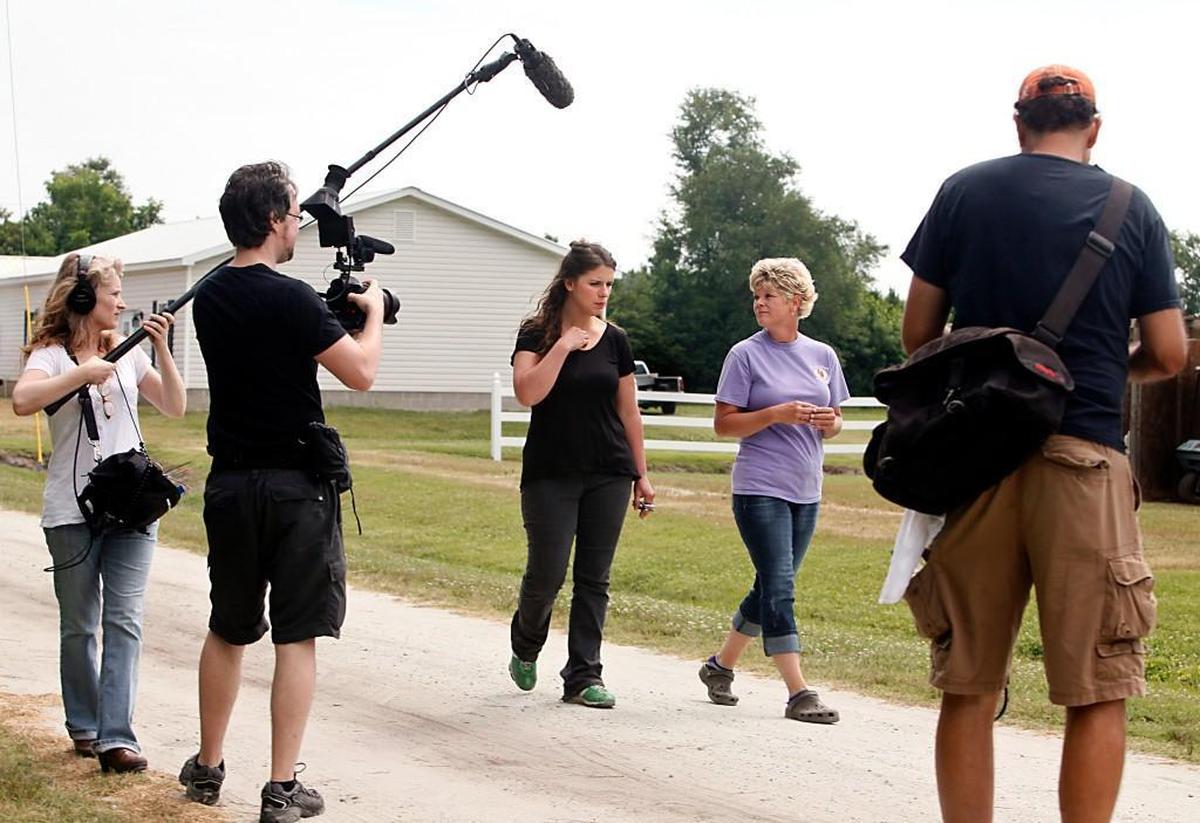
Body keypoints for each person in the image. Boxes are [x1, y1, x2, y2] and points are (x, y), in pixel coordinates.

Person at [900, 65, 1187, 823]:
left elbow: (917, 336)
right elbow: (1168, 352)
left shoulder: (964, 191)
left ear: (1018, 122)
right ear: (1093, 126)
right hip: (1086, 457)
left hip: (977, 461)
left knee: (969, 681)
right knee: (1097, 688)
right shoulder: (1133, 208)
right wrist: (1082, 371)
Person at [178, 161, 385, 823]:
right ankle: (281, 786)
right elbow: (361, 373)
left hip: (231, 483)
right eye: (294, 213)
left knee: (228, 625)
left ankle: (207, 766)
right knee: (296, 634)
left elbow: (272, 335)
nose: (299, 223)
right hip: (296, 485)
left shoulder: (210, 295)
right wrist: (371, 315)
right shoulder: (294, 299)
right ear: (272, 219)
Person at [13, 253, 186, 773]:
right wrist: (82, 374)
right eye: (115, 295)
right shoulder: (51, 354)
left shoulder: (127, 352)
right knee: (80, 626)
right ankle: (84, 727)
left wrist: (160, 349)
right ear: (86, 300)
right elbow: (23, 401)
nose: (123, 304)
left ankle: (117, 738)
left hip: (132, 506)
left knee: (125, 621)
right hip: (71, 512)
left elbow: (175, 406)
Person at [697, 257, 848, 723]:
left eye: (769, 296)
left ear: (796, 303)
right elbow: (723, 424)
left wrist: (829, 422)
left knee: (770, 585)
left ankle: (719, 666)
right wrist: (775, 414)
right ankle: (799, 692)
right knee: (780, 587)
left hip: (806, 489)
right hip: (759, 486)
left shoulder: (823, 356)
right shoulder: (744, 355)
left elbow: (837, 421)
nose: (759, 303)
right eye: (756, 296)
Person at [507, 240, 655, 709]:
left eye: (610, 284)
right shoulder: (536, 333)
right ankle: (526, 645)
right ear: (570, 283)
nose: (604, 292)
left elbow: (629, 412)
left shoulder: (616, 340)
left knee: (595, 578)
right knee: (547, 574)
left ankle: (583, 676)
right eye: (595, 283)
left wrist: (641, 475)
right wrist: (565, 346)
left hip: (609, 471)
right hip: (551, 473)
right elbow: (527, 393)